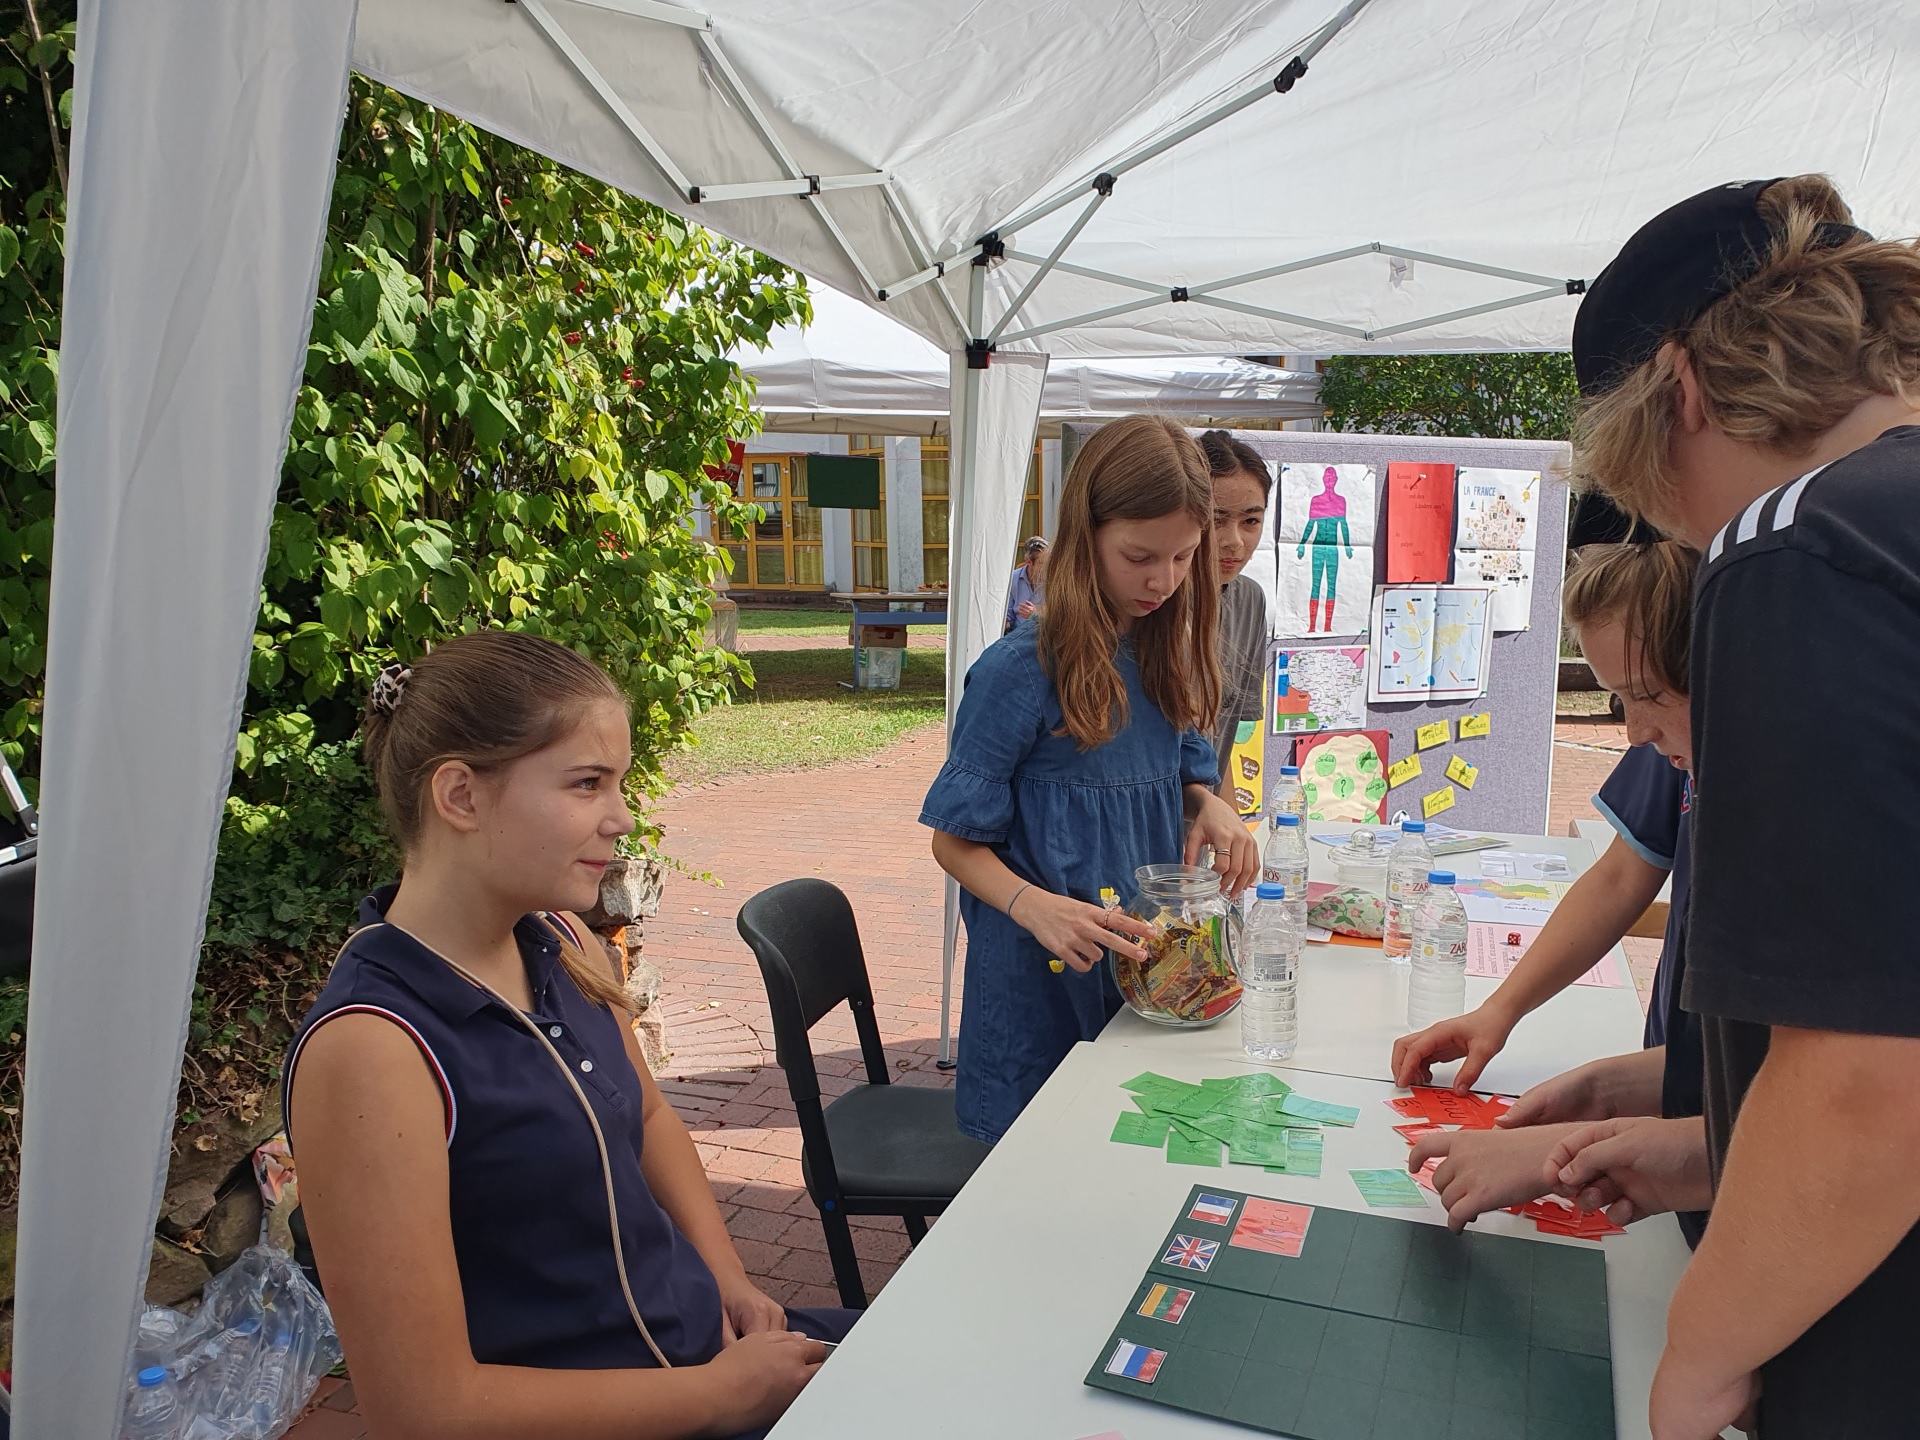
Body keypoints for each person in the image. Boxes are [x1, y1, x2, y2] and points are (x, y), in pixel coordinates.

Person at [285, 632, 853, 1440]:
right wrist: (721, 1397)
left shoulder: (564, 941)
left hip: (704, 1354)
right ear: (460, 796)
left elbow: (651, 1119)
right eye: (588, 784)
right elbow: (420, 1408)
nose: (621, 818)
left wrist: (730, 1280)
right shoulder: (374, 1050)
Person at [1559, 174, 1920, 1440]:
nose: (1693, 544)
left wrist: (1704, 1350)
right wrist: (1708, 1144)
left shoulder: (1800, 543)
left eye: (1665, 505)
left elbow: (1871, 1074)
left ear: (1685, 392)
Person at [921, 415, 1260, 1143]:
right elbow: (953, 844)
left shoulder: (1166, 651)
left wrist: (1212, 808)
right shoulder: (1019, 672)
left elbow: (1181, 777)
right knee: (1037, 1184)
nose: (1162, 582)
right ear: (1085, 535)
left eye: (1181, 559)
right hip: (1035, 992)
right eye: (1139, 556)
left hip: (1139, 978)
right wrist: (1033, 905)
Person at [1392, 541, 1708, 1241]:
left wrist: (1566, 1146)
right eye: (1617, 699)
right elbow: (1623, 871)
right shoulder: (1681, 742)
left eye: (1647, 695)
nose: (1634, 730)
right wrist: (1501, 1010)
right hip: (1682, 1100)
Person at [1197, 430, 1273, 801]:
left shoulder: (1250, 601)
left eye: (1250, 521)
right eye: (1216, 520)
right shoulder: (1150, 601)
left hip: (1196, 840)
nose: (1234, 541)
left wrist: (1232, 831)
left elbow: (1219, 748)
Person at [1293, 465, 1353, 633]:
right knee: (1316, 584)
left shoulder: (1340, 501)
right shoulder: (1316, 500)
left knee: (1331, 585)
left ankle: (1327, 625)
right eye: (1326, 478)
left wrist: (1347, 545)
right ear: (1323, 480)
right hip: (1317, 547)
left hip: (1333, 548)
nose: (1329, 481)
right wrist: (1302, 543)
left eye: (1331, 478)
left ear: (1335, 480)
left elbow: (1344, 524)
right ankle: (1312, 626)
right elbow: (1310, 525)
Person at [1003, 535, 1049, 633]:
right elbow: (1007, 613)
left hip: (1044, 634)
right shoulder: (1012, 578)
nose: (1047, 567)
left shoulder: (1054, 581)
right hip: (1017, 635)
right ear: (1029, 562)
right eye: (1042, 563)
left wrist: (1036, 614)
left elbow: (1059, 613)